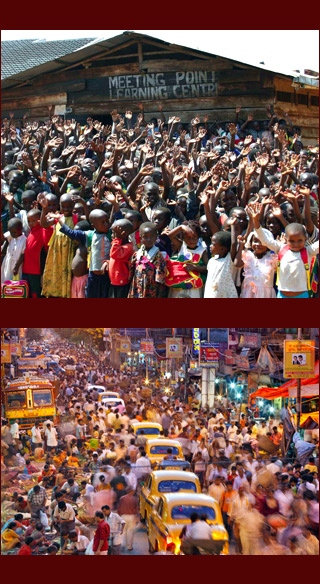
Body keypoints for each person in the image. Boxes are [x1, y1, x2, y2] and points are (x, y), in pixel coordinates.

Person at [1, 217, 27, 283]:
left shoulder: (24, 240)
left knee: (15, 283)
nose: (12, 234)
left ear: (20, 229)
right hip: (8, 263)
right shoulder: (11, 236)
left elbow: (23, 255)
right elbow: (4, 239)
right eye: (11, 232)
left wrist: (17, 266)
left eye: (14, 232)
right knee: (5, 280)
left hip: (16, 266)